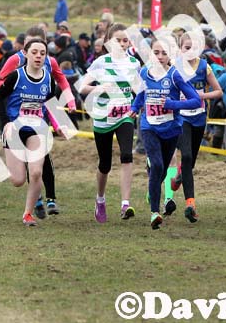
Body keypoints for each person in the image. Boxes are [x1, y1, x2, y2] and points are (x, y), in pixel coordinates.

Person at [130, 37, 202, 229]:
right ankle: (154, 213)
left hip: (171, 129)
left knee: (160, 171)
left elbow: (196, 101)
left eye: (164, 53)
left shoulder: (175, 75)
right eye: (156, 52)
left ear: (171, 55)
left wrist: (173, 105)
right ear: (150, 54)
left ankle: (152, 191)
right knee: (157, 165)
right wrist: (134, 108)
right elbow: (141, 95)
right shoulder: (144, 73)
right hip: (149, 126)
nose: (160, 57)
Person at [78, 24, 142, 222]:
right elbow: (82, 86)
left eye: (125, 40)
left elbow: (139, 89)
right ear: (108, 41)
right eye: (118, 40)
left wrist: (137, 103)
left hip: (125, 114)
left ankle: (125, 204)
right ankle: (100, 198)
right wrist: (99, 88)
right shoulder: (100, 62)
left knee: (126, 155)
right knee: (104, 164)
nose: (122, 44)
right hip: (103, 118)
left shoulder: (133, 63)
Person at [0, 39, 60, 226]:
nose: (38, 56)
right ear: (26, 54)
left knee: (37, 172)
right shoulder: (16, 76)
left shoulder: (48, 78)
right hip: (14, 130)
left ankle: (28, 214)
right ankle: (20, 158)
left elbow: (51, 104)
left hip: (37, 131)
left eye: (42, 53)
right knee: (17, 180)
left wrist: (58, 125)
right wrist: (5, 123)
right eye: (35, 52)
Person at [169, 33, 222, 222]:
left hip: (199, 118)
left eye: (193, 48)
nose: (189, 51)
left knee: (190, 162)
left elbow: (218, 91)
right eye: (186, 47)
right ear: (180, 48)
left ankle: (179, 178)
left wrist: (201, 96)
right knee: (187, 156)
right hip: (181, 118)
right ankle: (190, 204)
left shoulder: (203, 66)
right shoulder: (174, 66)